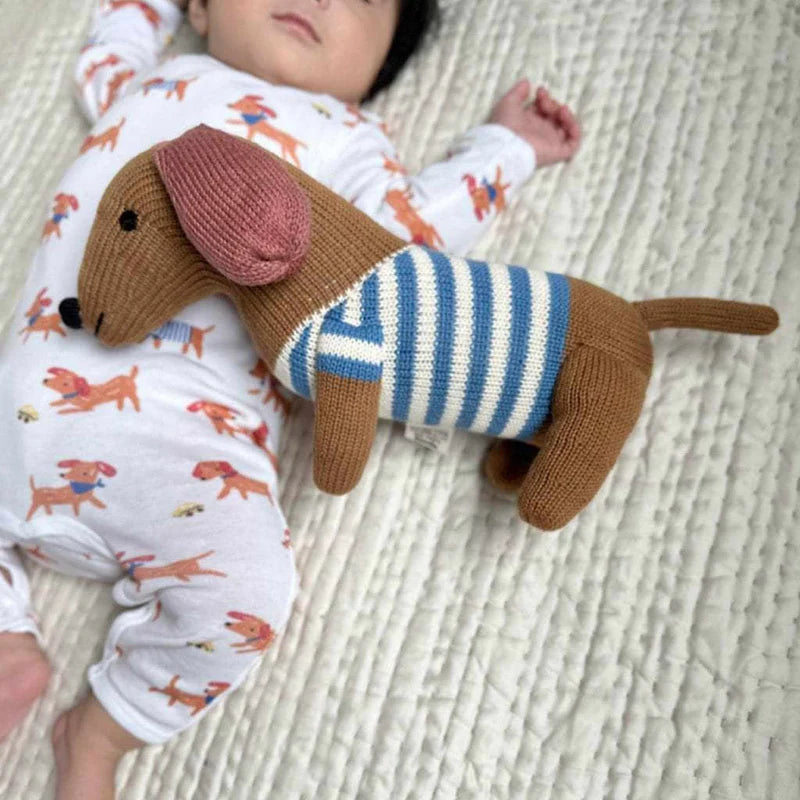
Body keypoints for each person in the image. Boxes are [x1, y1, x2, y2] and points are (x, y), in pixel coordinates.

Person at [0, 1, 580, 797]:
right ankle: (6, 642)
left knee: (249, 590)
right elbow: (106, 49)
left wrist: (505, 148)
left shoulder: (348, 140)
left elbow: (409, 237)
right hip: (25, 394)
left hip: (190, 453)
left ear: (379, 69)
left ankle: (99, 732)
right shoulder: (151, 81)